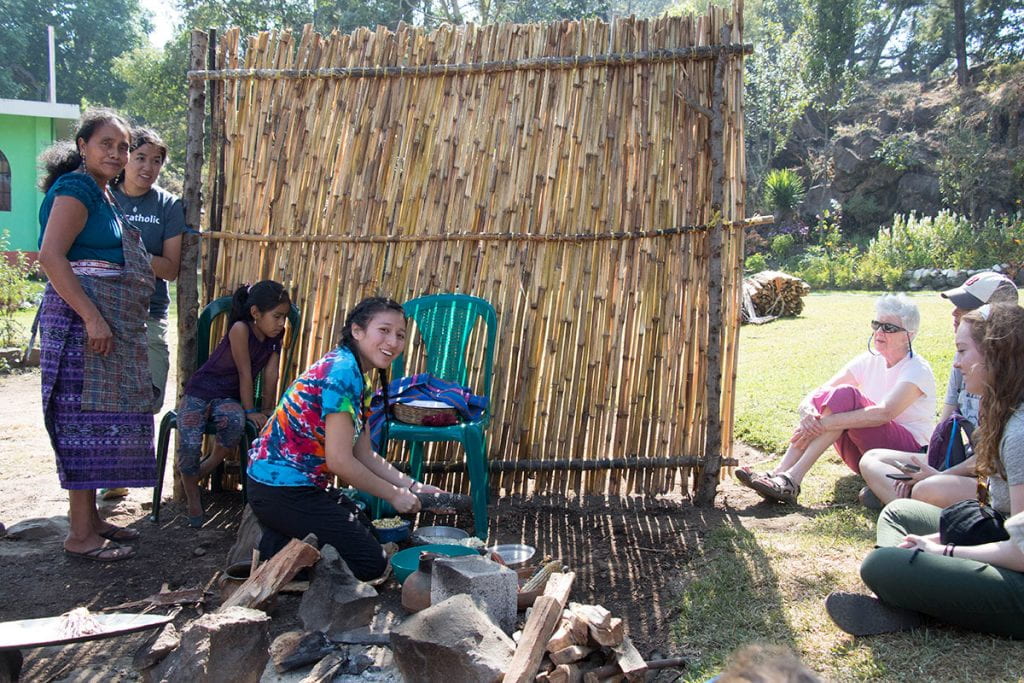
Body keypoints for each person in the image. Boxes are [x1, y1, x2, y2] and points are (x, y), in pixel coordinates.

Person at [827, 303, 1024, 638]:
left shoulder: (1019, 433)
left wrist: (941, 550)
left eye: (963, 351)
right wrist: (939, 536)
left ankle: (910, 601)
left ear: (996, 355)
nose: (957, 363)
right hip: (1001, 536)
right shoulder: (1005, 412)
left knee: (880, 565)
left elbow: (1021, 552)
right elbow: (995, 514)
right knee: (899, 513)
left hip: (1018, 583)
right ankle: (916, 597)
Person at [246, 297, 446, 581]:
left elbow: (363, 454)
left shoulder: (356, 374)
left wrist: (413, 486)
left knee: (370, 531)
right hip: (280, 489)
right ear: (357, 331)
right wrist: (393, 494)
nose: (393, 341)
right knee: (370, 564)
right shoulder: (341, 373)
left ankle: (282, 539)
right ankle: (276, 557)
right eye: (384, 330)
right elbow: (339, 461)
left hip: (301, 487)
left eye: (400, 335)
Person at [36, 108, 155, 562]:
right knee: (79, 424)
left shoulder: (103, 194)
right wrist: (91, 317)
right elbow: (51, 256)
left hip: (102, 327)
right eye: (107, 143)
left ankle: (91, 523)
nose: (117, 153)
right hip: (78, 326)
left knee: (94, 425)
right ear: (83, 145)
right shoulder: (76, 189)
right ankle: (79, 536)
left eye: (123, 147)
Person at [736, 294, 936, 505]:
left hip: (906, 457)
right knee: (832, 399)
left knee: (846, 396)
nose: (878, 332)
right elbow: (819, 393)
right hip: (867, 457)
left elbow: (884, 413)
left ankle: (791, 479)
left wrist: (823, 424)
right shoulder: (869, 360)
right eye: (876, 324)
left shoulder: (917, 369)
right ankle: (779, 472)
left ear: (908, 336)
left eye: (888, 328)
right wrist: (808, 413)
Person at [859, 273, 1019, 509]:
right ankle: (912, 498)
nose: (954, 312)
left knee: (927, 488)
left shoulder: (1005, 378)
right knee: (872, 459)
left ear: (996, 316)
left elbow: (994, 457)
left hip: (991, 475)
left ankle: (908, 503)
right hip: (964, 459)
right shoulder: (965, 364)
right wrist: (933, 466)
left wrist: (937, 476)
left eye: (965, 307)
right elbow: (944, 427)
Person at [100, 127, 187, 501]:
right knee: (105, 395)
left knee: (149, 394)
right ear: (125, 158)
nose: (148, 167)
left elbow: (169, 268)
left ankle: (122, 463)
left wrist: (125, 253)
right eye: (140, 158)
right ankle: (112, 471)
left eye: (156, 161)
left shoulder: (167, 206)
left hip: (149, 312)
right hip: (103, 312)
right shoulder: (103, 198)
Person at [175, 280, 290, 528]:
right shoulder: (240, 329)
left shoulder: (276, 336)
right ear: (255, 313)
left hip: (227, 398)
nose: (282, 323)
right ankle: (193, 497)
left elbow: (272, 374)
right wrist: (250, 410)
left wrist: (268, 409)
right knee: (190, 439)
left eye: (285, 317)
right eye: (277, 316)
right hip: (200, 391)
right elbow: (244, 373)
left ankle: (203, 469)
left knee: (235, 422)